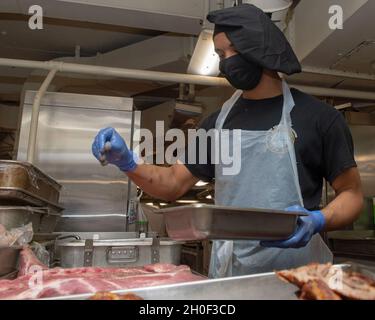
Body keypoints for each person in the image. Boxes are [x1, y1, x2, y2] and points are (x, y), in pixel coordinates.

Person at [92, 4, 363, 278]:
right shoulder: (215, 124)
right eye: (221, 54)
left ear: (259, 47)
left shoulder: (320, 118)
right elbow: (172, 183)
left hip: (300, 276)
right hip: (232, 274)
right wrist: (128, 163)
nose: (227, 61)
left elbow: (352, 194)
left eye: (234, 49)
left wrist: (318, 220)